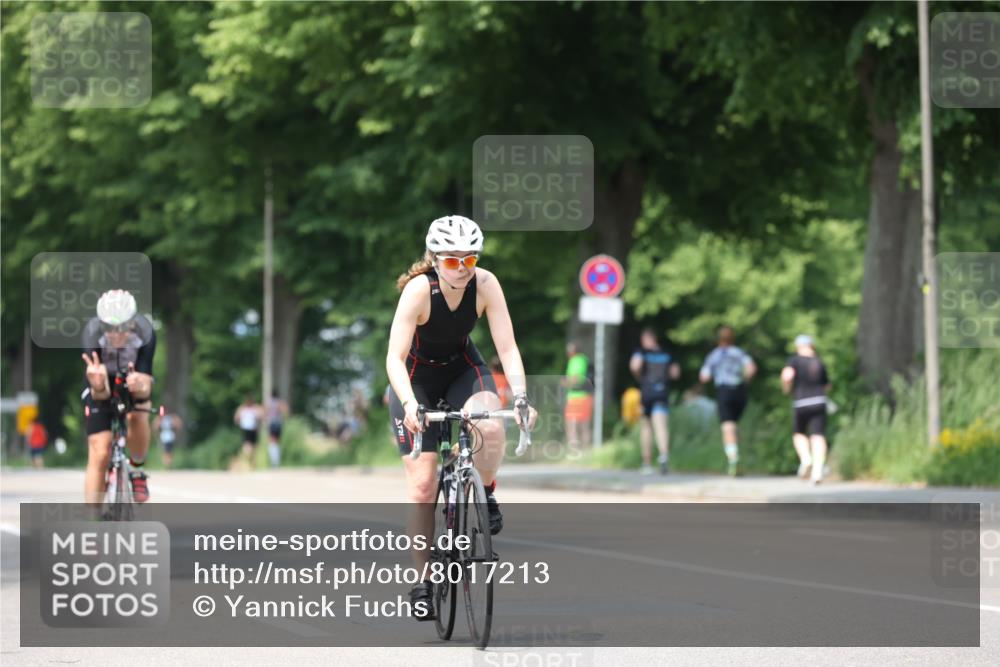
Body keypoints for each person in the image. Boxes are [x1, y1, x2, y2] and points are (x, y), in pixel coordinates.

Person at [386, 214, 537, 620]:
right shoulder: (419, 291)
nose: (462, 270)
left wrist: (521, 397)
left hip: (461, 370)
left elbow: (507, 347)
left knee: (490, 422)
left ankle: (485, 491)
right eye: (453, 261)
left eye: (469, 260)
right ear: (435, 259)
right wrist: (409, 404)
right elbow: (394, 358)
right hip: (415, 381)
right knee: (422, 485)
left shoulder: (485, 284)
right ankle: (422, 583)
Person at [80, 289, 156, 505]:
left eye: (122, 327)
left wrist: (140, 385)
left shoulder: (146, 332)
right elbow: (99, 392)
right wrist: (98, 385)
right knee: (100, 451)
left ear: (133, 322)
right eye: (109, 327)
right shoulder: (92, 332)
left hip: (133, 377)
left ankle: (138, 469)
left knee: (139, 415)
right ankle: (92, 519)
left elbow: (146, 385)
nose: (115, 334)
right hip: (100, 379)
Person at [699, 325, 756, 477]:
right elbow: (751, 368)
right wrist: (746, 379)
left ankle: (733, 458)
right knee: (735, 425)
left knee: (727, 426)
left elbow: (704, 376)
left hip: (724, 390)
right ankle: (737, 454)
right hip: (740, 390)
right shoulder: (739, 352)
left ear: (719, 339)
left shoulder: (715, 355)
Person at [781, 335, 832, 485]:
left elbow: (787, 375)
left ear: (798, 346)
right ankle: (817, 470)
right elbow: (827, 385)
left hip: (801, 402)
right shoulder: (819, 361)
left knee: (799, 433)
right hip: (819, 401)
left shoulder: (794, 360)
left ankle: (806, 459)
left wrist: (787, 389)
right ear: (812, 346)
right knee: (818, 435)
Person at [629, 328, 680, 475]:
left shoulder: (642, 352)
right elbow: (675, 373)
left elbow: (634, 366)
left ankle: (646, 463)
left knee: (646, 428)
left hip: (647, 394)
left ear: (645, 340)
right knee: (661, 426)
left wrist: (639, 377)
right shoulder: (667, 354)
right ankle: (663, 456)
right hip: (662, 393)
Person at [561, 342, 593, 453]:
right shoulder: (585, 360)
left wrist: (564, 382)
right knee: (585, 425)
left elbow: (575, 379)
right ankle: (586, 452)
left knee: (572, 425)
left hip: (576, 397)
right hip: (586, 397)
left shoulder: (576, 360)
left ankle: (574, 452)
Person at [233, 394, 262, 462]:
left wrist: (239, 423)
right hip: (252, 428)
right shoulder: (254, 408)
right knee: (252, 444)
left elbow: (236, 418)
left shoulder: (242, 408)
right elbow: (261, 416)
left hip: (246, 428)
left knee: (247, 444)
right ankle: (251, 458)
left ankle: (248, 458)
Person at [265, 390, 289, 468]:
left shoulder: (269, 403)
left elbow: (265, 413)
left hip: (272, 423)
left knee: (272, 442)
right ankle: (276, 461)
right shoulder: (279, 402)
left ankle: (274, 462)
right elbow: (286, 410)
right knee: (277, 442)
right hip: (278, 423)